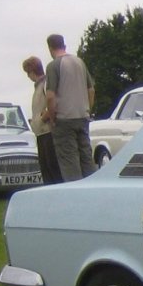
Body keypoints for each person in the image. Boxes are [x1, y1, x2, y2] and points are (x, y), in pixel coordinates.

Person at [43, 34, 96, 180]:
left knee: (69, 161)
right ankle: (91, 190)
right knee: (86, 158)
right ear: (64, 45)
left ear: (50, 47)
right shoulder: (79, 62)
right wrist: (88, 110)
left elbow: (50, 96)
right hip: (82, 116)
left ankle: (74, 196)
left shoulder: (53, 66)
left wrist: (52, 117)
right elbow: (91, 90)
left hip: (64, 119)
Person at [22, 55, 62, 184]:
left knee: (52, 168)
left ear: (32, 71)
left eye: (28, 73)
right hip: (41, 133)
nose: (28, 76)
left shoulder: (45, 84)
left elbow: (53, 103)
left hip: (48, 132)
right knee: (45, 168)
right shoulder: (38, 86)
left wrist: (42, 119)